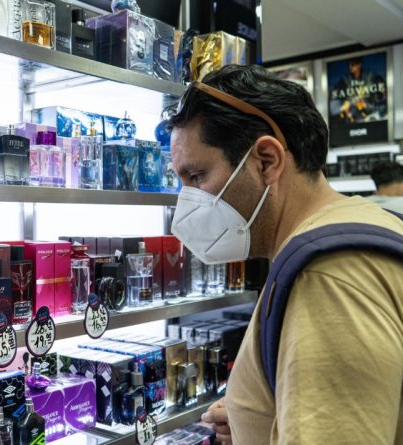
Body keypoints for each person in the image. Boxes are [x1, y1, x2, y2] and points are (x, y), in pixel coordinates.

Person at [167, 64, 403, 444]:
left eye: (197, 177)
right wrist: (257, 417)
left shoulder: (326, 276)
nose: (187, 204)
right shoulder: (362, 223)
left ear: (267, 161)